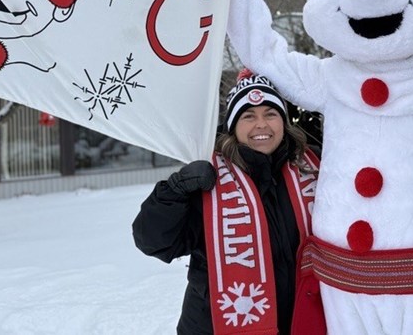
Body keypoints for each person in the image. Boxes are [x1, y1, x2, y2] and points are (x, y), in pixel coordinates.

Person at [132, 70, 319, 334]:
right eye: (248, 116)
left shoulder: (312, 171)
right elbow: (153, 241)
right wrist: (174, 192)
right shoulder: (208, 180)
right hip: (216, 325)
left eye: (270, 114)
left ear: (284, 121)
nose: (261, 125)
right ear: (233, 126)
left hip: (302, 323)